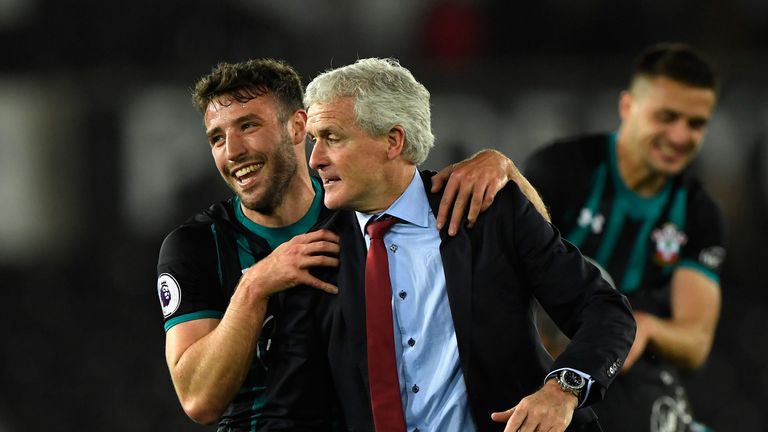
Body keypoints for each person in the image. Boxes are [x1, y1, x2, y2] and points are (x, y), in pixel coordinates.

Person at [155, 58, 543, 431]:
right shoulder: (197, 246)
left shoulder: (364, 218)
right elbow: (199, 402)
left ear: (297, 127)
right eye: (217, 138)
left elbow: (539, 257)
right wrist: (256, 285)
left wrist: (504, 170)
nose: (232, 151)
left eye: (248, 125)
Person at [261, 57, 636, 432]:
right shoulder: (312, 257)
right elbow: (291, 410)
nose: (314, 160)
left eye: (332, 138)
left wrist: (562, 390)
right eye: (314, 140)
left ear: (393, 141)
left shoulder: (488, 214)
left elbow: (605, 310)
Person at [524, 43, 726, 432]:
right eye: (667, 117)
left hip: (634, 379)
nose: (681, 135)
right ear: (628, 106)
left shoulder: (699, 213)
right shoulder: (562, 171)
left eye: (696, 123)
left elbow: (695, 341)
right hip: (548, 370)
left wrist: (646, 329)